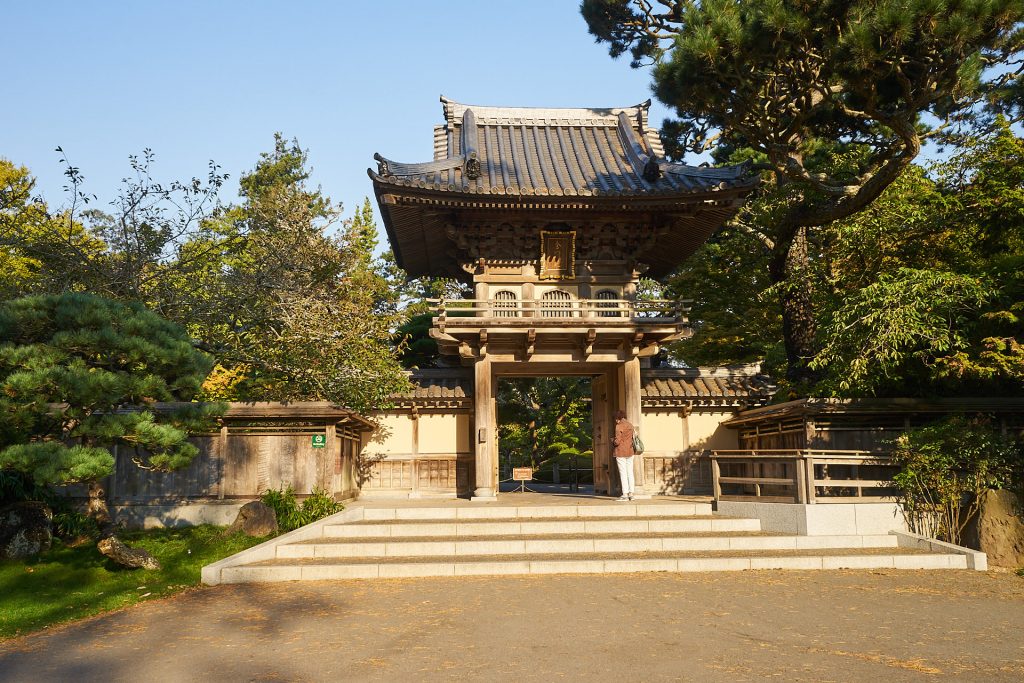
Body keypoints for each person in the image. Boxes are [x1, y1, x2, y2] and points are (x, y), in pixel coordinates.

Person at [611, 409, 636, 501]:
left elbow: (617, 441)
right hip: (630, 451)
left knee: (623, 473)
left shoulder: (619, 426)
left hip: (621, 452)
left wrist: (613, 441)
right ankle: (631, 494)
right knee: (630, 472)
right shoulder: (630, 425)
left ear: (617, 418)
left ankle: (625, 494)